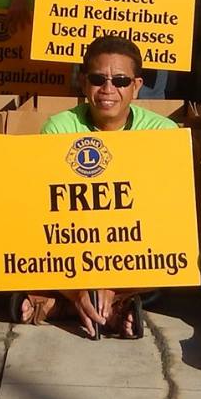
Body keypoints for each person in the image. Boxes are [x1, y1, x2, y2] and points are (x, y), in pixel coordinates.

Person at [21, 34, 180, 340]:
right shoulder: (58, 128)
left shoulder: (163, 133)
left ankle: (65, 305)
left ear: (137, 85)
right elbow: (46, 212)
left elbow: (168, 220)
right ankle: (107, 308)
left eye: (120, 80)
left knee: (171, 262)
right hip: (71, 247)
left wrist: (109, 277)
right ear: (83, 82)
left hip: (135, 249)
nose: (108, 89)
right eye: (98, 79)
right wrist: (82, 285)